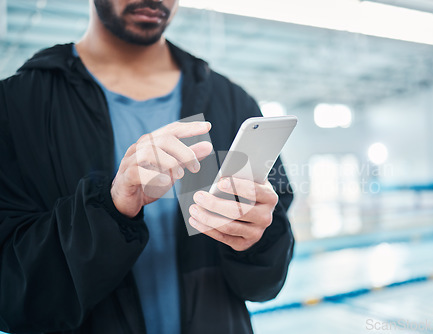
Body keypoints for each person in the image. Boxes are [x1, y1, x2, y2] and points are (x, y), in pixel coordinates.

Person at [0, 0, 294, 333]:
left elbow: (265, 282)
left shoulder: (231, 100)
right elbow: (14, 298)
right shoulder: (17, 106)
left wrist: (257, 240)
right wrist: (112, 209)